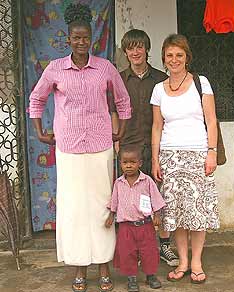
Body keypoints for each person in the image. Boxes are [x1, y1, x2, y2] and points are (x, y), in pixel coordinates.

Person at [28, 4, 131, 292]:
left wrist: (120, 129)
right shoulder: (55, 69)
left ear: (91, 39)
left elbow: (122, 101)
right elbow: (36, 101)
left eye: (85, 37)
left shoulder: (105, 68)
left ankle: (104, 266)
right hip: (69, 149)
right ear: (68, 39)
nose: (81, 42)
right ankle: (79, 269)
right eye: (76, 37)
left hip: (100, 147)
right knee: (74, 210)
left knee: (101, 207)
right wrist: (39, 132)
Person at [151, 34, 220, 284]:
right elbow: (157, 127)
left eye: (179, 55)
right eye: (169, 55)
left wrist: (211, 152)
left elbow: (211, 120)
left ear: (186, 57)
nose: (174, 59)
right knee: (177, 214)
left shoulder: (201, 83)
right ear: (164, 59)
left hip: (198, 154)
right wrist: (156, 159)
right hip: (170, 156)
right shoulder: (159, 89)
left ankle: (197, 262)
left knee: (197, 212)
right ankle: (182, 261)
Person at [112, 28, 179, 267]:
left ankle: (163, 246)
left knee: (160, 197)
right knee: (132, 201)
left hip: (157, 147)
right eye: (131, 47)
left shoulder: (162, 79)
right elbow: (114, 112)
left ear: (147, 49)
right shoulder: (118, 79)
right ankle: (137, 250)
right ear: (125, 51)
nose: (136, 52)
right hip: (129, 149)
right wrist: (117, 145)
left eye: (140, 46)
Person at [105, 145, 165, 292]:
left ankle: (150, 275)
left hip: (145, 225)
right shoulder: (118, 183)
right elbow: (114, 201)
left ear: (140, 163)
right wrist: (111, 216)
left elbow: (156, 198)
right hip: (126, 226)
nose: (129, 166)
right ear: (120, 164)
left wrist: (157, 215)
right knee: (127, 252)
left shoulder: (147, 181)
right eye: (125, 162)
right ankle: (131, 277)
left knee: (149, 251)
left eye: (132, 162)